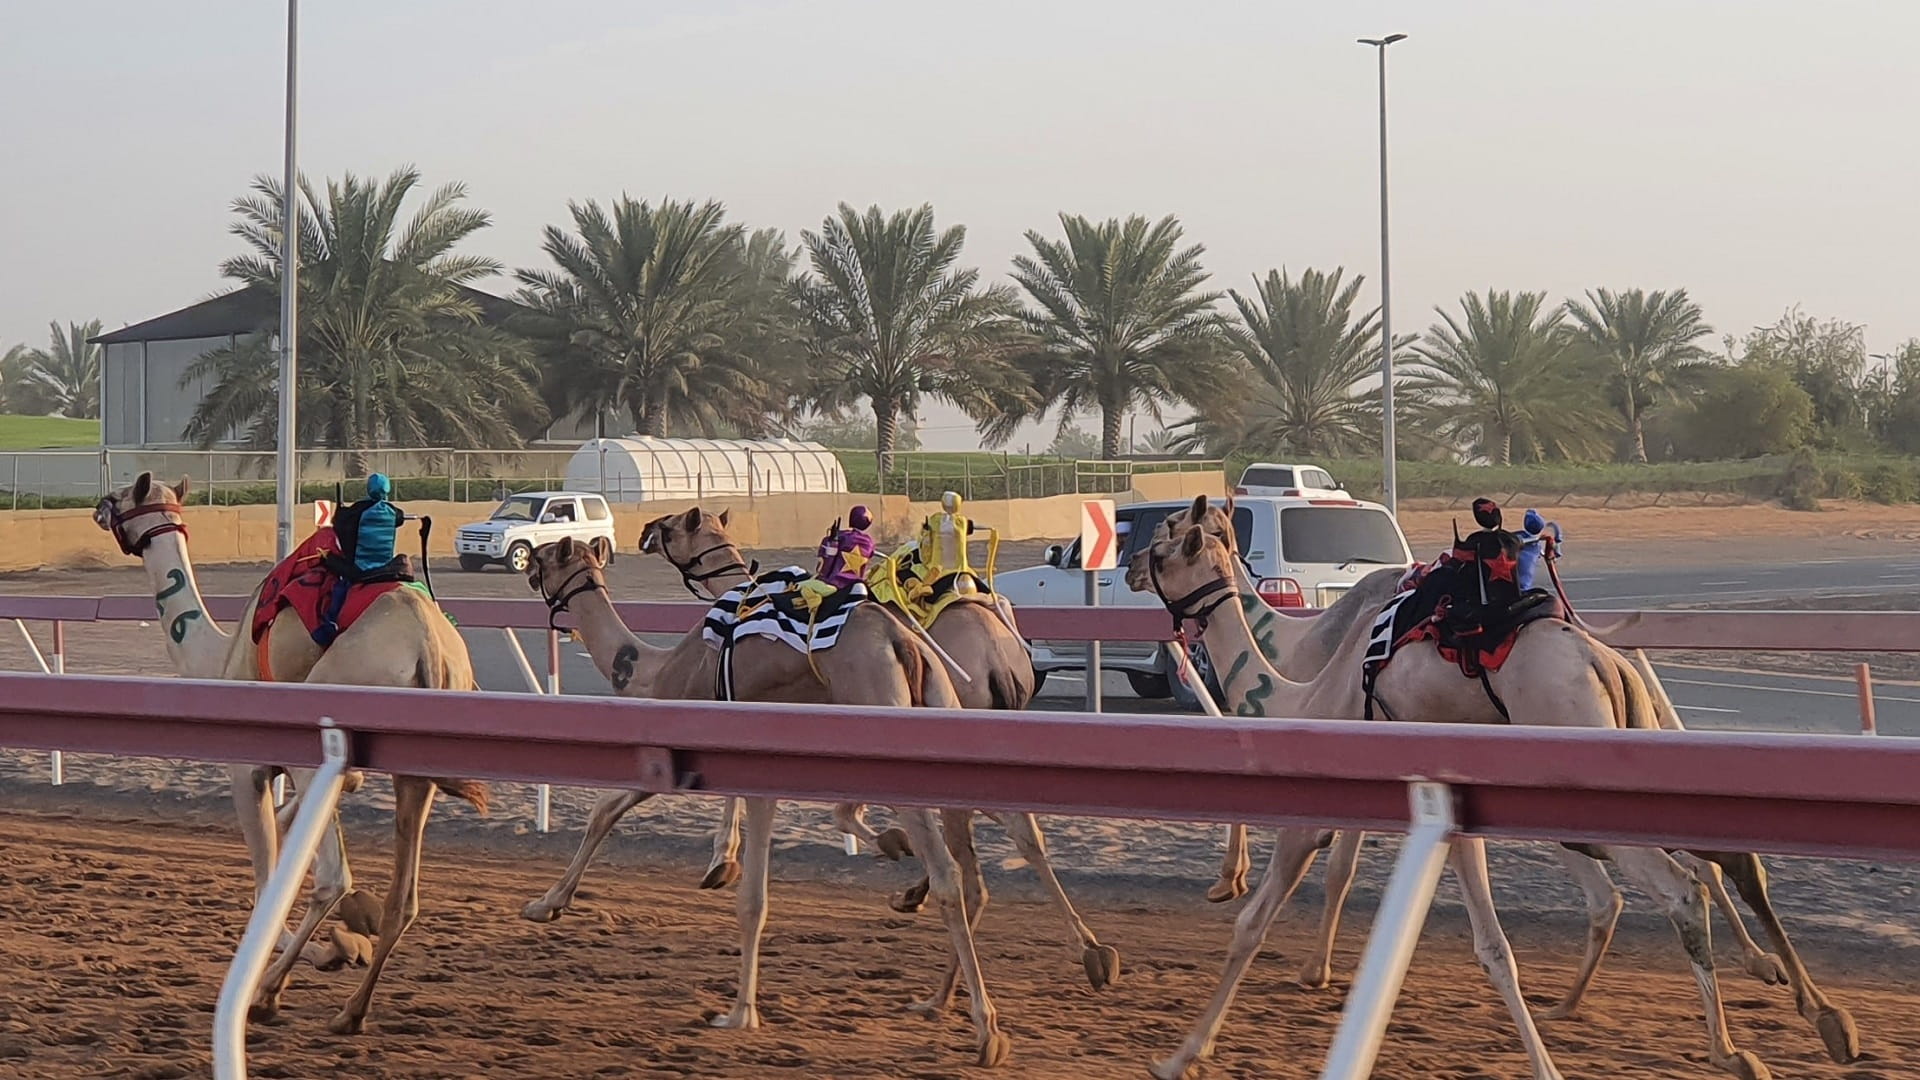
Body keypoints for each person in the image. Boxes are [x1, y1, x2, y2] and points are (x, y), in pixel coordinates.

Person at [331, 473, 409, 580]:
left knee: (326, 559)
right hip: (385, 567)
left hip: (359, 570)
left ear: (368, 488)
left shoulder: (357, 510)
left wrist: (339, 510)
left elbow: (339, 522)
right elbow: (400, 518)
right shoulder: (394, 512)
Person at [816, 504, 876, 589]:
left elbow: (822, 562)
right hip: (857, 584)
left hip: (833, 583)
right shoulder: (870, 542)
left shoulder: (841, 536)